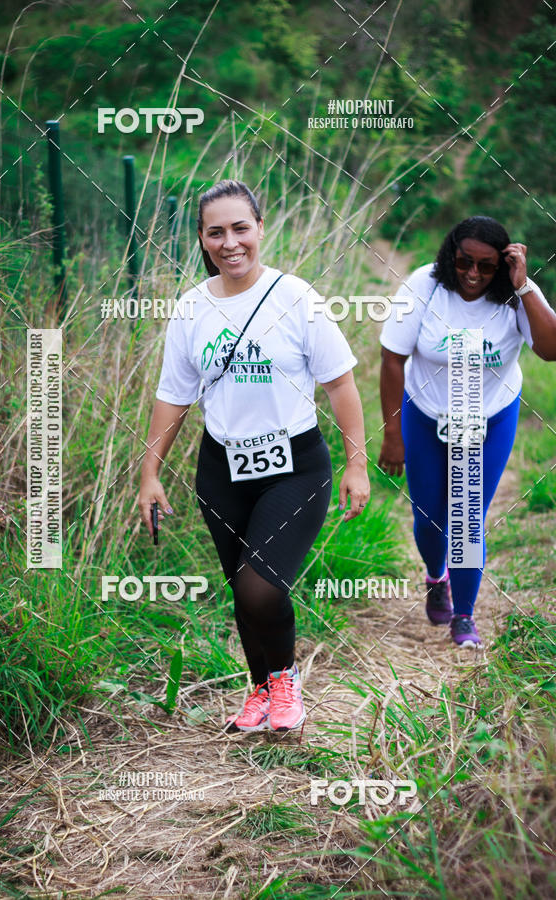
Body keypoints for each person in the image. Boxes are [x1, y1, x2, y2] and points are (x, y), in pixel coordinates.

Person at [138, 179, 370, 731]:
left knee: (259, 584)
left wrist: (357, 463)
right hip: (222, 468)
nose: (230, 242)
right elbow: (173, 397)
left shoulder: (297, 297)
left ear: (260, 229)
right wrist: (149, 471)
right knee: (241, 586)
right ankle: (259, 689)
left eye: (241, 228)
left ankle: (285, 681)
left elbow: (340, 384)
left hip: (295, 464)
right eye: (215, 232)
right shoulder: (190, 308)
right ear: (201, 238)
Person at [378, 216, 556, 648]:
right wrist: (393, 435)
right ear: (449, 255)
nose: (473, 274)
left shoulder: (515, 297)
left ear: (503, 264)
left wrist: (524, 286)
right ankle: (436, 576)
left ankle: (464, 615)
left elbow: (550, 350)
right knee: (429, 519)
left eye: (486, 266)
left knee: (466, 517)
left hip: (488, 417)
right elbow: (391, 359)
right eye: (464, 262)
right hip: (425, 412)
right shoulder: (424, 286)